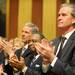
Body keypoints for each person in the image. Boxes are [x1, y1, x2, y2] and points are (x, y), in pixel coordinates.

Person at [34, 3, 75, 75]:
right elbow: (45, 71)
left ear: (73, 20)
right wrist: (45, 62)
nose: (59, 18)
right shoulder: (53, 42)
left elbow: (72, 71)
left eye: (64, 15)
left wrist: (52, 58)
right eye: (59, 15)